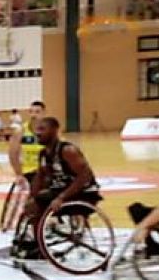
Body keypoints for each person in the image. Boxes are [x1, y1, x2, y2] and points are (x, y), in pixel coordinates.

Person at [15, 117, 102, 259]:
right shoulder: (44, 154)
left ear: (54, 131)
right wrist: (32, 195)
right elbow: (41, 178)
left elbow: (85, 176)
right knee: (32, 205)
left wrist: (61, 197)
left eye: (42, 129)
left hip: (85, 194)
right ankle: (38, 243)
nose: (37, 132)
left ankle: (41, 247)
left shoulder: (68, 150)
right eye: (37, 129)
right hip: (65, 192)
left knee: (37, 206)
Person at [8, 101, 46, 188]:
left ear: (44, 113)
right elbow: (13, 154)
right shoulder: (21, 132)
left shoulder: (50, 131)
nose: (33, 115)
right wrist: (18, 174)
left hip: (46, 170)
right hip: (28, 171)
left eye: (37, 112)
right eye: (31, 111)